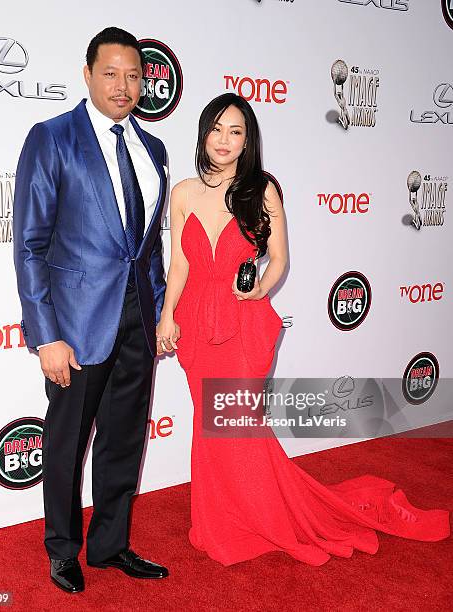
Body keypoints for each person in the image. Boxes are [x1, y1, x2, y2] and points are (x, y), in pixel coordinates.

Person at [156, 92, 450, 567]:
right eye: (217, 129)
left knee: (236, 423)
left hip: (242, 324)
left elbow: (281, 259)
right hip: (194, 322)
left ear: (248, 140)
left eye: (236, 131)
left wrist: (257, 292)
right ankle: (222, 519)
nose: (224, 140)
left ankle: (262, 514)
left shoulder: (261, 189)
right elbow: (180, 264)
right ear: (203, 133)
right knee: (210, 427)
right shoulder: (184, 192)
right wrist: (167, 314)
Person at [13, 27, 169, 593]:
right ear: (87, 74)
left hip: (138, 324)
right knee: (66, 442)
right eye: (111, 73)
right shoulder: (52, 138)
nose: (124, 86)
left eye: (134, 75)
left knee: (124, 439)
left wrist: (160, 314)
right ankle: (62, 549)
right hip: (76, 328)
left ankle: (110, 545)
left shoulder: (153, 150)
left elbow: (146, 249)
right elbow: (29, 244)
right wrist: (45, 335)